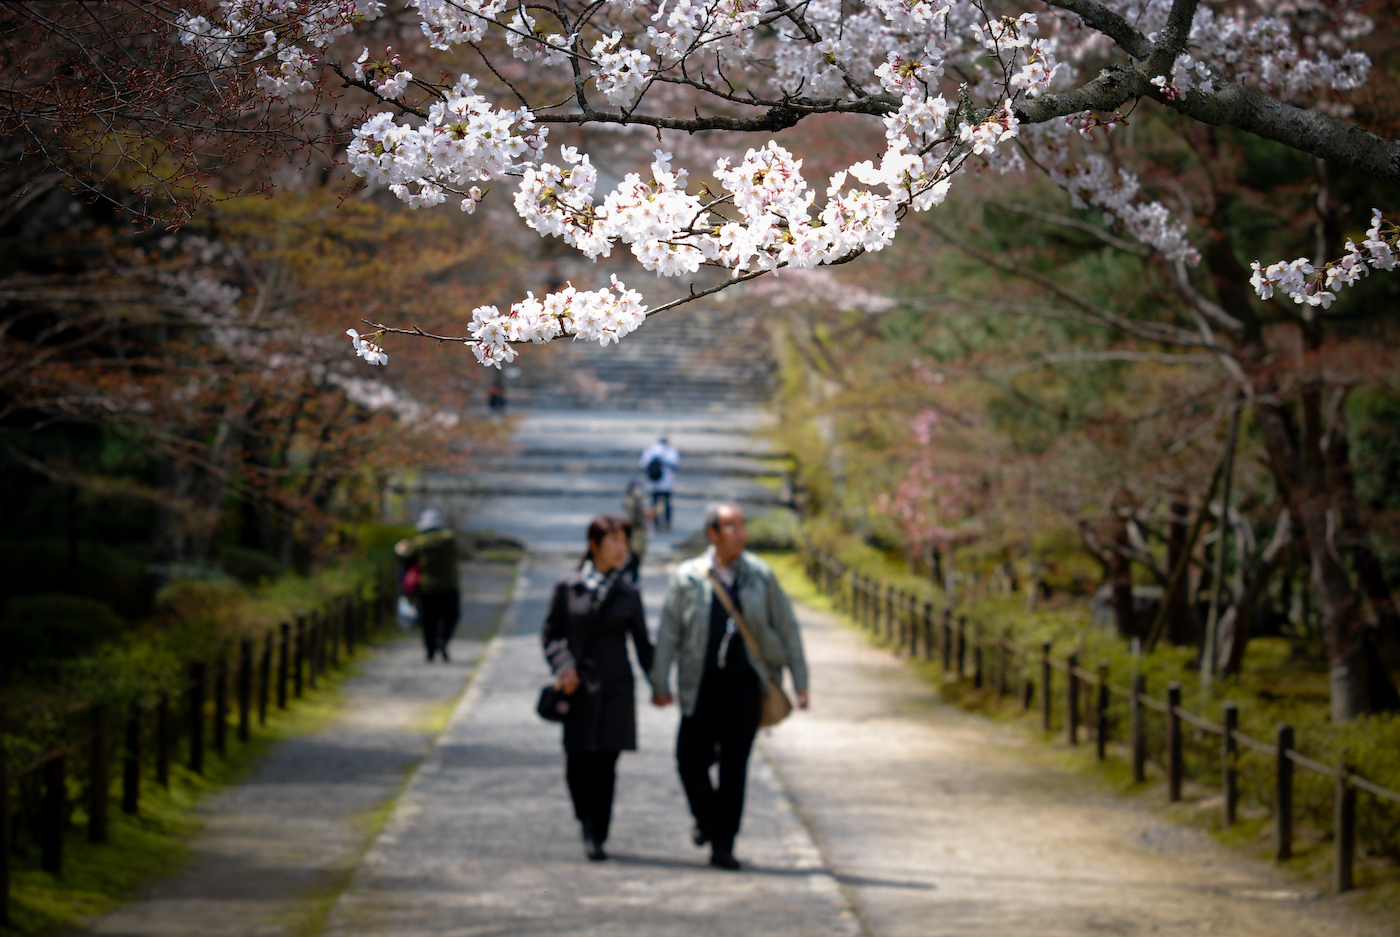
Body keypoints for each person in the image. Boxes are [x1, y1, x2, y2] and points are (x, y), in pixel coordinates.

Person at [649, 502, 809, 870]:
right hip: (701, 684)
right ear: (712, 534)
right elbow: (671, 631)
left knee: (734, 770)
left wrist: (800, 681)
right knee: (689, 760)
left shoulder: (759, 575)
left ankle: (724, 845)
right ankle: (707, 819)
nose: (740, 533)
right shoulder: (688, 576)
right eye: (730, 526)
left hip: (745, 687)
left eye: (742, 526)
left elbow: (786, 626)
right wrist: (660, 681)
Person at [542, 515, 655, 862]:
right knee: (577, 763)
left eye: (625, 541)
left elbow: (642, 645)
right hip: (578, 689)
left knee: (606, 764)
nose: (622, 549)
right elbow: (551, 634)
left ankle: (596, 835)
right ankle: (584, 815)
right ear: (594, 545)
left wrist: (661, 684)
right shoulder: (567, 586)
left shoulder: (628, 592)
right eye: (614, 541)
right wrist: (564, 666)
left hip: (616, 688)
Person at [395, 508, 460, 662]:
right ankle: (443, 642)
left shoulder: (418, 543)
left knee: (429, 620)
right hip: (449, 587)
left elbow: (406, 560)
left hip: (427, 588)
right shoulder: (449, 540)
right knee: (450, 616)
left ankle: (430, 650)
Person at [638, 435, 680, 531]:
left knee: (654, 504)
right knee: (667, 504)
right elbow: (676, 465)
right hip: (667, 484)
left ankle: (656, 524)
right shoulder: (671, 451)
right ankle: (667, 523)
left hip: (654, 483)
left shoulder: (650, 450)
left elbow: (642, 465)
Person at [620, 478, 651, 583]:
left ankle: (632, 580)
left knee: (635, 559)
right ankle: (628, 579)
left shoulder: (633, 501)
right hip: (635, 533)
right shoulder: (632, 501)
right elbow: (633, 519)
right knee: (633, 559)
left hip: (636, 532)